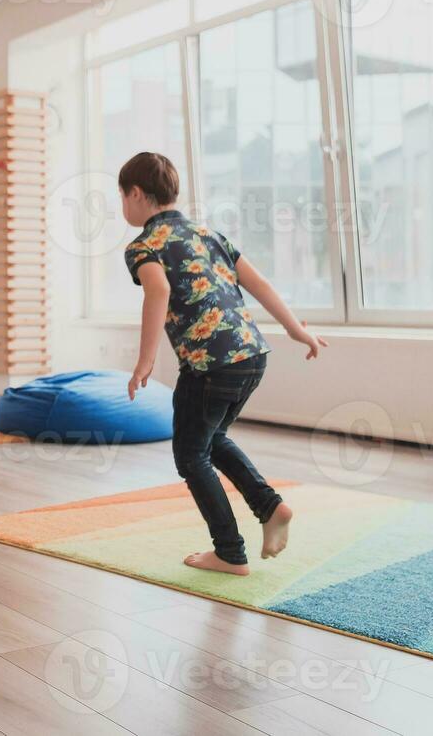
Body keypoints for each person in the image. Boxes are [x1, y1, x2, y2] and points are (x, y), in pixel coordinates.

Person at [121, 151, 322, 576]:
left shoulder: (144, 245)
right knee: (212, 439)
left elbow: (156, 291)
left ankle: (230, 552)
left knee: (190, 454)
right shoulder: (207, 233)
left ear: (136, 194)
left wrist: (144, 361)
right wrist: (295, 330)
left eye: (122, 196)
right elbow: (260, 283)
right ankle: (271, 508)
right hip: (251, 355)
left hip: (210, 365)